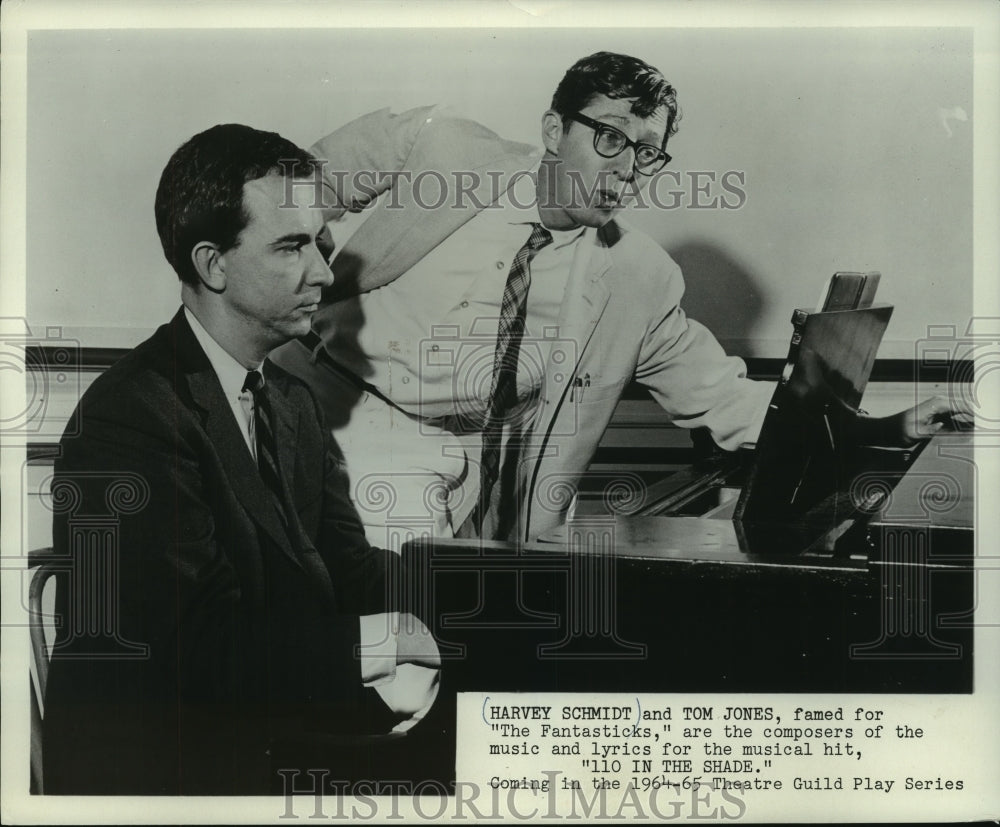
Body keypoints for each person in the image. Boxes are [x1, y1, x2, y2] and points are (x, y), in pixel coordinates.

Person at [272, 51, 959, 545]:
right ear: (553, 131)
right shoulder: (444, 149)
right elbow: (289, 187)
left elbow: (731, 403)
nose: (627, 169)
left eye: (647, 153)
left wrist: (886, 427)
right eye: (610, 138)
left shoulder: (638, 276)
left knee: (481, 649)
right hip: (350, 418)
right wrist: (306, 262)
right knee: (405, 646)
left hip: (495, 473)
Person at [43, 124, 437, 795]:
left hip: (260, 735)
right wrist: (393, 637)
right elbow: (198, 654)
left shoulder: (290, 403)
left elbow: (353, 571)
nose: (322, 270)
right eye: (291, 246)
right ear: (212, 263)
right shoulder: (129, 415)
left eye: (320, 241)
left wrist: (498, 600)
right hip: (163, 772)